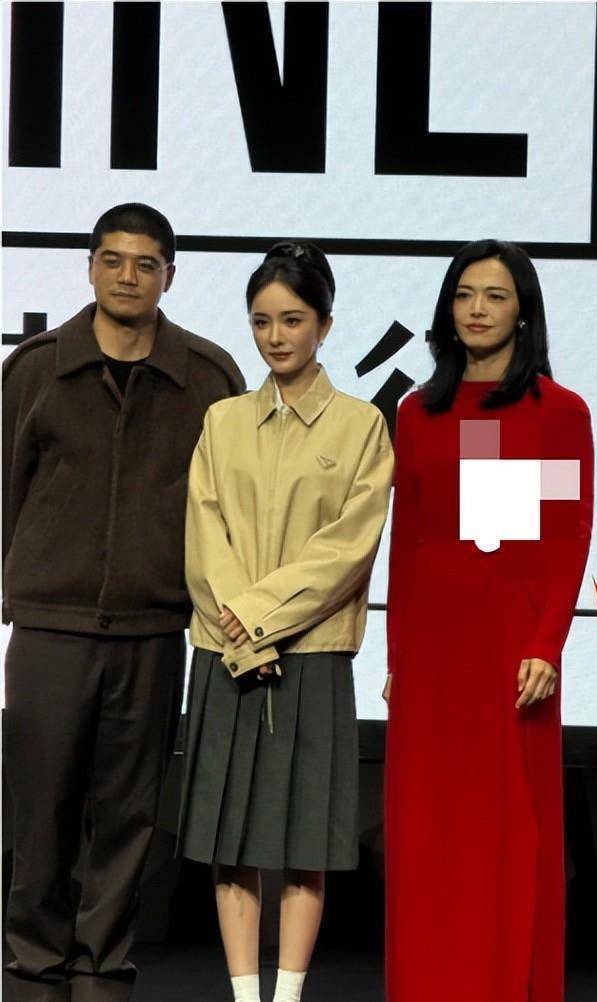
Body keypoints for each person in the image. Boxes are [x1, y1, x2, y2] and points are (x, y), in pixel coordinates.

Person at [2, 204, 245, 995]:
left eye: (145, 264)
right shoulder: (36, 367)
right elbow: (4, 488)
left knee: (130, 815)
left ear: (169, 275)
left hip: (152, 629)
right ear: (89, 267)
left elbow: (232, 510)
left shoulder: (208, 377)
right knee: (40, 811)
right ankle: (33, 965)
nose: (127, 276)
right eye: (112, 260)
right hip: (50, 626)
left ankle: (103, 968)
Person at [176, 241, 393, 1002]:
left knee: (306, 844)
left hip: (312, 654)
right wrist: (240, 625)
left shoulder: (362, 426)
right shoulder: (223, 420)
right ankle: (245, 996)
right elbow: (204, 535)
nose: (275, 336)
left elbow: (348, 549)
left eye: (293, 320)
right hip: (226, 652)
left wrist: (258, 619)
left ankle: (289, 993)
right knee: (230, 841)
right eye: (262, 321)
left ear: (324, 325)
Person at [383, 239, 594, 1002]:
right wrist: (396, 656)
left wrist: (546, 643)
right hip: (432, 654)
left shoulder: (557, 411)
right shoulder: (418, 411)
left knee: (502, 833)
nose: (476, 309)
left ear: (524, 312)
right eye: (464, 294)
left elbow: (564, 537)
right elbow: (410, 542)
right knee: (429, 834)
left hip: (510, 649)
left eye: (495, 296)